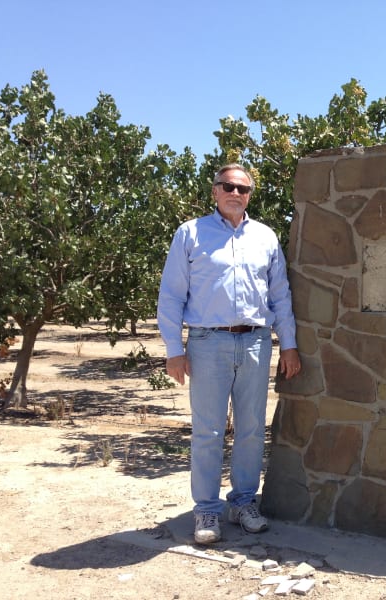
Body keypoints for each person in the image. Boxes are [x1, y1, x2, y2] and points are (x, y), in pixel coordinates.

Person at [157, 163, 301, 544]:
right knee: (208, 430)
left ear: (250, 194)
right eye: (228, 186)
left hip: (255, 342)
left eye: (243, 188)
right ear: (215, 192)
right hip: (208, 343)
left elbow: (280, 295)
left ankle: (242, 503)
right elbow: (171, 295)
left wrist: (288, 343)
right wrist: (174, 350)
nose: (236, 193)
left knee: (252, 429)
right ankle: (206, 510)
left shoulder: (266, 237)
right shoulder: (190, 234)